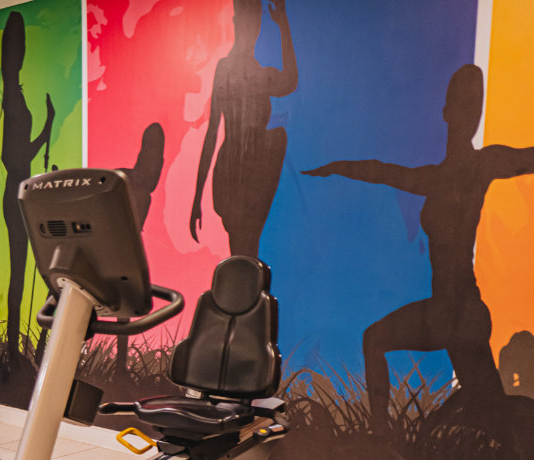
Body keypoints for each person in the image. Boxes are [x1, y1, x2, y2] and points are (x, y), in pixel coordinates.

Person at [304, 64, 534, 432]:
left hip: (461, 311)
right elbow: (381, 171)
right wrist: (336, 167)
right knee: (487, 410)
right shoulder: (434, 178)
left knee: (491, 414)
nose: (469, 114)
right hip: (447, 311)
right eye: (463, 104)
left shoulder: (483, 164)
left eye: (475, 106)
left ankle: (382, 437)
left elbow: (527, 157)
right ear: (446, 111)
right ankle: (381, 438)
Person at [191, 0, 297, 258]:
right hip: (232, 172)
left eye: (256, 24)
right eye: (248, 22)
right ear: (236, 23)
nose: (252, 30)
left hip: (255, 170)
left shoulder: (261, 75)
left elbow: (289, 82)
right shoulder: (226, 69)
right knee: (243, 248)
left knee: (246, 248)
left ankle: (245, 279)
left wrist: (283, 24)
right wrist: (197, 198)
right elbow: (212, 133)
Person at [0, 10, 55, 353]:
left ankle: (28, 343)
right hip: (15, 194)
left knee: (35, 269)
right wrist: (47, 125)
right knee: (20, 271)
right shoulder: (10, 94)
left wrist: (48, 125)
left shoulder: (14, 93)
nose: (20, 53)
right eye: (17, 46)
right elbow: (14, 157)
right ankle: (12, 345)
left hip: (23, 194)